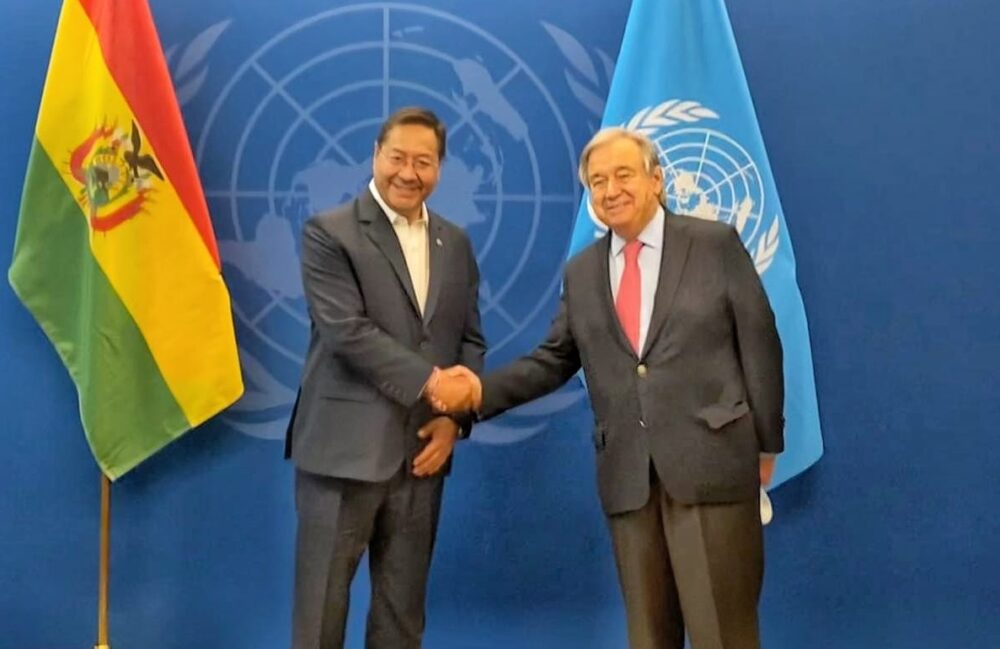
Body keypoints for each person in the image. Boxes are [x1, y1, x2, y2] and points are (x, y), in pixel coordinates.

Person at [432, 128, 784, 649]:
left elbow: (760, 340)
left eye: (623, 175)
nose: (610, 190)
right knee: (648, 635)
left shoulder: (714, 245)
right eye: (597, 182)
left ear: (656, 180)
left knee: (722, 636)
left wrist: (767, 441)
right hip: (628, 478)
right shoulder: (583, 272)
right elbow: (554, 359)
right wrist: (477, 394)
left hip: (712, 465)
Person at [285, 106, 485, 649]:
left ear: (439, 168)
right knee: (321, 618)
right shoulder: (329, 233)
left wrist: (454, 421)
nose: (408, 172)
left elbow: (469, 340)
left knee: (402, 619)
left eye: (424, 161)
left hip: (422, 458)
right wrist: (434, 385)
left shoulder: (455, 243)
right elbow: (346, 332)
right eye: (397, 157)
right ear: (376, 155)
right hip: (341, 457)